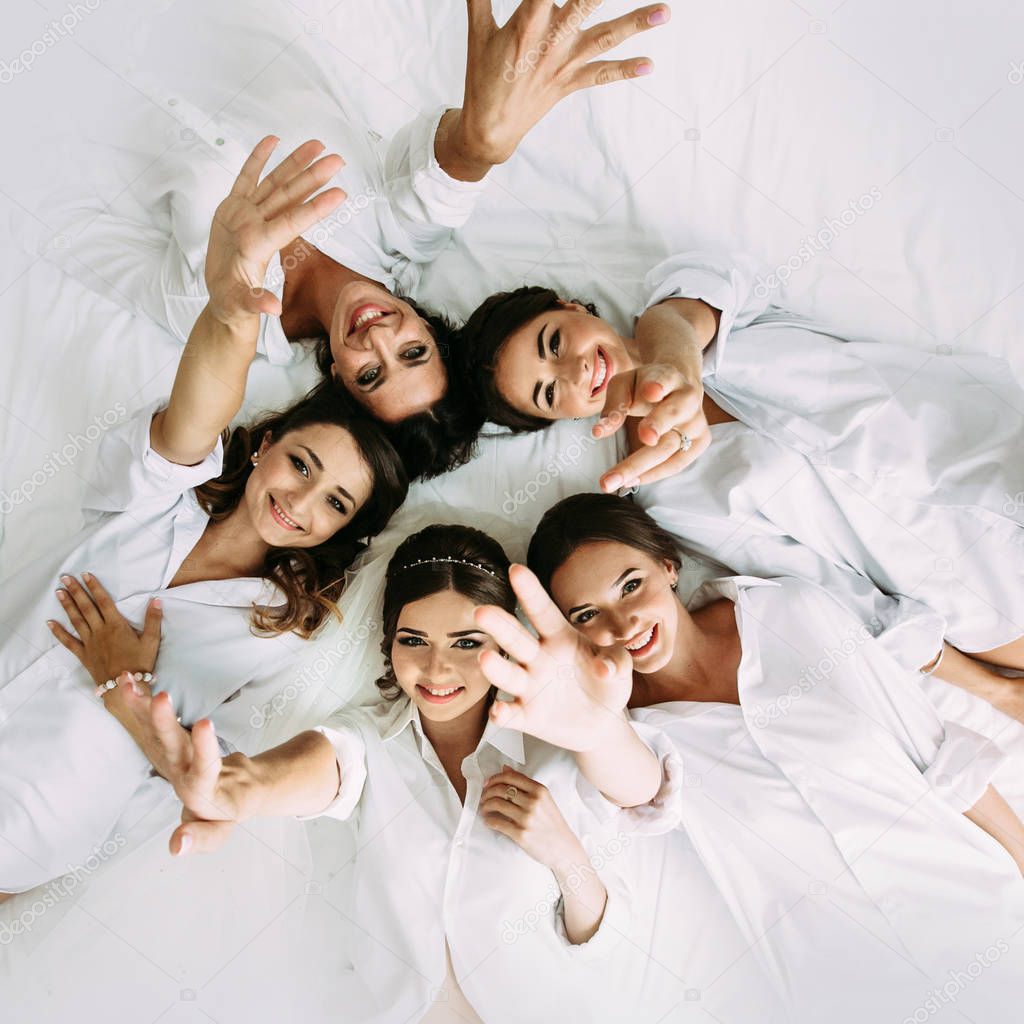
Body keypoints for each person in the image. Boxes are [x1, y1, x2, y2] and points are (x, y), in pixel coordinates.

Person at [0, 139, 407, 897]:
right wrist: (232, 304)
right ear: (264, 447)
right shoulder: (162, 496)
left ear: (340, 533)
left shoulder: (282, 636)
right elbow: (199, 406)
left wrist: (127, 681)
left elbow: (205, 774)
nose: (300, 501)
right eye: (301, 465)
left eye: (335, 505)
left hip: (40, 808)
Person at [56, 1, 673, 478]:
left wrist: (223, 304)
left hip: (69, 72)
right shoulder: (398, 231)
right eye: (412, 353)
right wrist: (482, 144)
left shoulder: (233, 322)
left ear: (341, 384)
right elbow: (446, 176)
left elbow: (87, 235)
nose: (377, 338)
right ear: (429, 328)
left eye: (371, 375)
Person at [106, 524, 683, 1024]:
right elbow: (319, 764)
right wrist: (240, 789)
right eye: (414, 640)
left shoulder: (559, 750)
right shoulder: (368, 743)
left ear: (505, 645)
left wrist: (566, 856)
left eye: (467, 642)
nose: (437, 668)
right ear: (389, 645)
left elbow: (603, 937)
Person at [459, 251, 1024, 717]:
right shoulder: (671, 497)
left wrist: (675, 361)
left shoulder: (689, 303)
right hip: (985, 593)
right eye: (550, 394)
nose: (576, 371)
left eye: (555, 343)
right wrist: (994, 690)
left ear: (570, 306)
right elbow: (839, 598)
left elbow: (700, 302)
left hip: (1001, 444)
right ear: (563, 420)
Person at [527, 492, 1024, 1022]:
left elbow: (937, 758)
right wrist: (596, 727)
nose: (623, 625)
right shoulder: (628, 731)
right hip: (851, 986)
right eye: (587, 614)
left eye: (631, 586)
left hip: (981, 905)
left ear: (667, 566)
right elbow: (641, 791)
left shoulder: (788, 611)